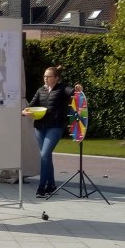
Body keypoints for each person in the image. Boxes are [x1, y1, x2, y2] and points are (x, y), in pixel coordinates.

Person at [23, 65, 83, 198]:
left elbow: (73, 92)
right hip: (40, 127)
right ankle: (51, 185)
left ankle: (41, 188)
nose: (45, 78)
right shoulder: (41, 90)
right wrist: (25, 112)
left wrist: (78, 89)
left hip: (55, 127)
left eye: (48, 76)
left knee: (44, 155)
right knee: (47, 157)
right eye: (44, 76)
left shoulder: (63, 89)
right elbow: (31, 106)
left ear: (56, 78)